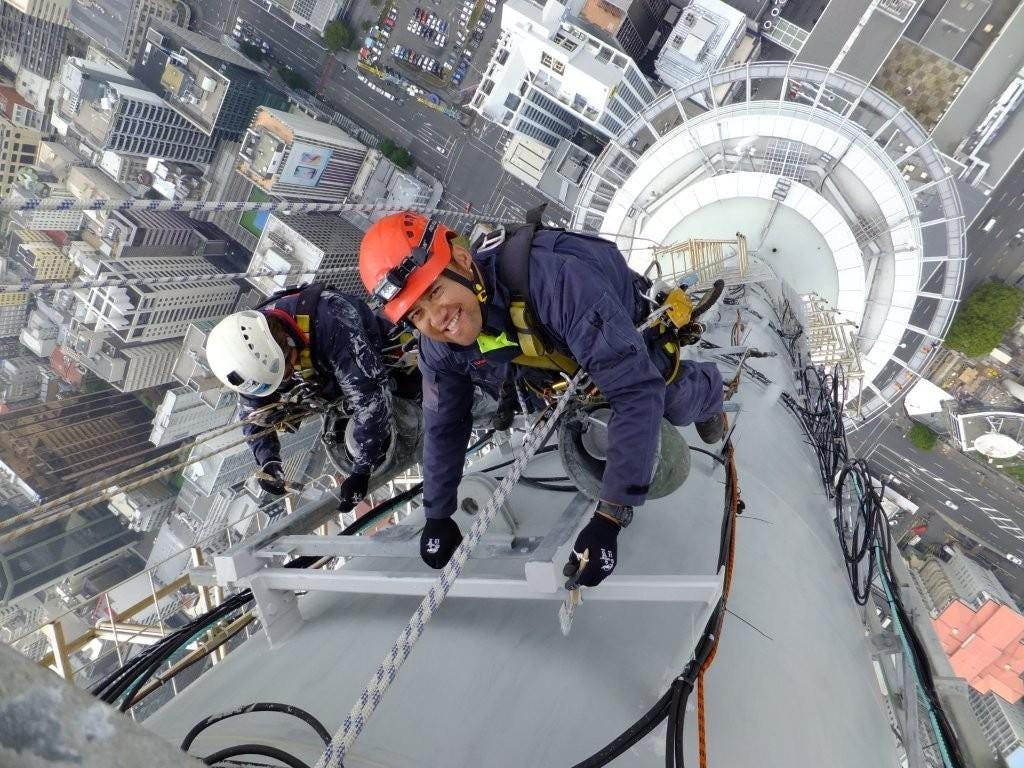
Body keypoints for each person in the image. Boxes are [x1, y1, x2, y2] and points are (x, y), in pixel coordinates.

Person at [358, 213, 725, 588]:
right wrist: (437, 513)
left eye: (435, 291)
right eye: (417, 313)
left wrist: (611, 516)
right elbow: (444, 421)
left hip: (620, 324)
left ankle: (711, 392)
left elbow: (635, 391)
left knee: (671, 400)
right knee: (582, 412)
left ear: (464, 262)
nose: (437, 318)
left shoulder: (557, 281)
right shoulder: (438, 346)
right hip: (550, 354)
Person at [206, 283, 403, 513]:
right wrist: (268, 461)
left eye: (285, 372)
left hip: (375, 356)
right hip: (330, 373)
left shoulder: (332, 319)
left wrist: (362, 470)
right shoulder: (251, 357)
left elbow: (371, 400)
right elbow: (254, 416)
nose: (284, 381)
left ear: (288, 344)